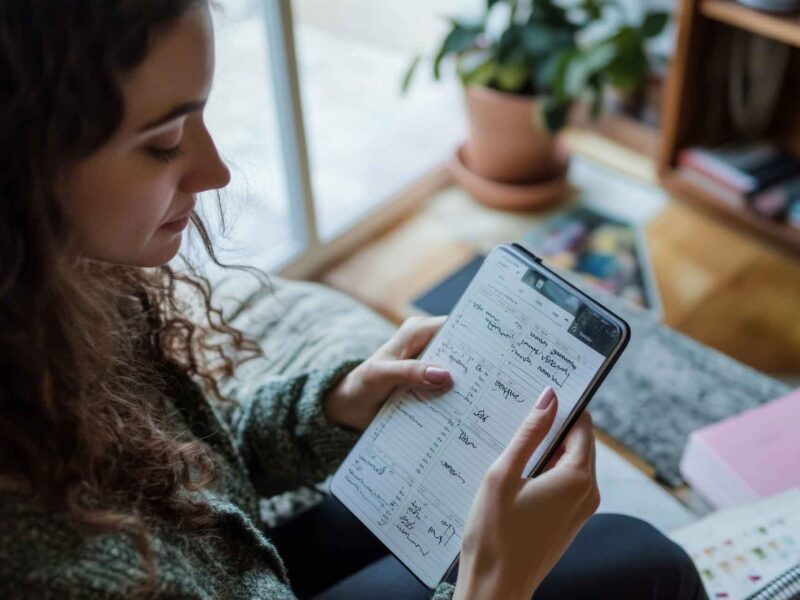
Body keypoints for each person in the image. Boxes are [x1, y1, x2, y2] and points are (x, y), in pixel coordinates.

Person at [0, 1, 707, 598]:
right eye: (164, 143)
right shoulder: (43, 566)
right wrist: (495, 582)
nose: (215, 170)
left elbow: (183, 465)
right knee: (649, 564)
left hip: (237, 564)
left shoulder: (63, 294)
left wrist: (337, 403)